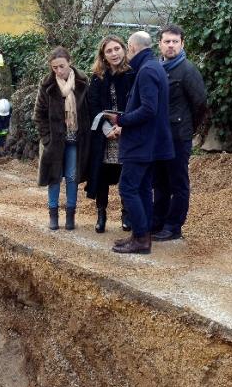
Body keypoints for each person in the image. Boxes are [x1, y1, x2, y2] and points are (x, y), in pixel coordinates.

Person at [105, 31, 174, 254]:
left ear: (132, 47)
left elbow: (148, 109)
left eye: (127, 47)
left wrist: (121, 119)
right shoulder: (155, 67)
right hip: (150, 143)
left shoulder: (146, 71)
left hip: (142, 143)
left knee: (128, 187)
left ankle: (141, 239)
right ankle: (140, 235)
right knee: (143, 188)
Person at [151, 24, 208, 241]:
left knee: (178, 183)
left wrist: (188, 127)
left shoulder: (188, 70)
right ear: (160, 44)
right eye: (167, 41)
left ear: (182, 44)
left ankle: (174, 226)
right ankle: (157, 222)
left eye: (175, 41)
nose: (171, 45)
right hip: (159, 137)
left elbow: (200, 104)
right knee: (159, 182)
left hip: (178, 137)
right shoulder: (157, 68)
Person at [33, 46, 91, 231]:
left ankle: (70, 216)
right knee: (54, 177)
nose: (58, 70)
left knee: (73, 177)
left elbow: (89, 110)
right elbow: (39, 115)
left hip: (76, 139)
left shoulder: (82, 82)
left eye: (61, 66)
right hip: (54, 141)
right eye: (54, 67)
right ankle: (53, 216)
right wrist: (47, 139)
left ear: (69, 62)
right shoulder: (47, 85)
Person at [85, 35, 136, 234]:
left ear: (124, 50)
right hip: (104, 135)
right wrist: (107, 129)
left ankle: (126, 214)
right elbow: (93, 105)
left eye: (117, 49)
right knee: (102, 175)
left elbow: (136, 103)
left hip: (127, 131)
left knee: (126, 174)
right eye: (109, 51)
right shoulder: (98, 77)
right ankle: (101, 215)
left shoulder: (133, 73)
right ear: (103, 56)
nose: (114, 53)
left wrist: (123, 126)